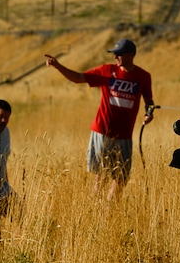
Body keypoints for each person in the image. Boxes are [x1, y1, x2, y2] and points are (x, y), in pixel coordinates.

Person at [45, 38, 155, 201]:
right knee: (102, 175)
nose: (115, 57)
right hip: (103, 131)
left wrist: (149, 113)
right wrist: (58, 65)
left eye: (118, 54)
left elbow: (149, 101)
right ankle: (94, 210)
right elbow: (78, 77)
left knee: (122, 178)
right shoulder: (106, 71)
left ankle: (108, 210)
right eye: (114, 54)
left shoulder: (143, 76)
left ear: (131, 55)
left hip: (125, 134)